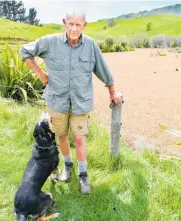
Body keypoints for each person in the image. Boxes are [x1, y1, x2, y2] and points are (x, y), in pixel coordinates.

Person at [19, 9, 121, 194]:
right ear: (64, 22)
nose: (74, 28)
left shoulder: (90, 45)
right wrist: (41, 75)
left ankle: (83, 177)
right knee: (62, 136)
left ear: (84, 25)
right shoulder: (49, 42)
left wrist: (112, 92)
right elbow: (25, 51)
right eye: (71, 24)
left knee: (80, 139)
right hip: (56, 101)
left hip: (81, 103)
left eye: (78, 25)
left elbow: (104, 70)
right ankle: (67, 168)